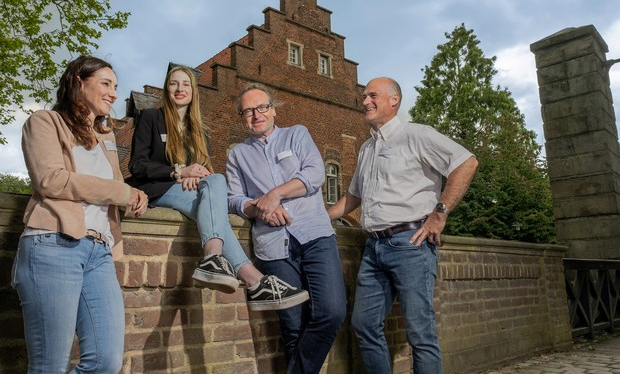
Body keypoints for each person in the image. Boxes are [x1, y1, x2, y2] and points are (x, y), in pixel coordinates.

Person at [328, 77, 478, 374]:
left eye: (373, 95)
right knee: (364, 325)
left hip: (411, 243)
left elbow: (466, 162)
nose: (365, 101)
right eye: (363, 96)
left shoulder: (416, 135)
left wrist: (440, 213)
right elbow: (353, 197)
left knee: (420, 333)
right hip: (374, 248)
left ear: (394, 99)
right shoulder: (366, 149)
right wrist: (319, 217)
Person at [128, 66, 308, 311]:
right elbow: (137, 165)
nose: (180, 89)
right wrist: (180, 172)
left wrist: (197, 174)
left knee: (216, 182)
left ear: (194, 91)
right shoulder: (151, 117)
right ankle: (251, 279)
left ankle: (216, 260)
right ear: (166, 89)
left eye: (186, 84)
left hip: (189, 189)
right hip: (156, 189)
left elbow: (204, 170)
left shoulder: (200, 131)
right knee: (216, 212)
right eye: (174, 84)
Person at [11, 55, 149, 373]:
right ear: (78, 82)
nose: (114, 92)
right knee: (50, 365)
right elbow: (52, 180)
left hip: (99, 253)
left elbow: (113, 187)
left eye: (115, 85)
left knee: (106, 361)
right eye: (105, 83)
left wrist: (135, 194)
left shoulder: (106, 138)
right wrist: (123, 193)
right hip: (52, 244)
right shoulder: (44, 122)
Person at [226, 82, 347, 374]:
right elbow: (234, 199)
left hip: (315, 235)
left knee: (332, 312)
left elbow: (315, 174)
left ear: (273, 109)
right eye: (248, 111)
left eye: (262, 107)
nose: (256, 115)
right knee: (293, 325)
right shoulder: (237, 154)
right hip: (272, 246)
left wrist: (275, 194)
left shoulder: (297, 134)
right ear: (242, 117)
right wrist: (261, 208)